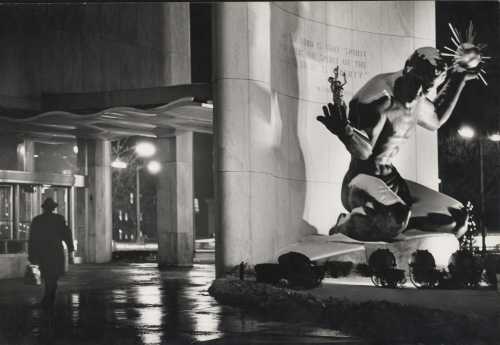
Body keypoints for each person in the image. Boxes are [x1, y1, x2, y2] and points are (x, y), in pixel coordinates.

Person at [317, 47, 479, 241]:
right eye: (417, 84)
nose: (420, 92)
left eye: (427, 88)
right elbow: (364, 152)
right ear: (407, 69)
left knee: (458, 219)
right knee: (396, 216)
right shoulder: (377, 97)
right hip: (360, 181)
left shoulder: (417, 97)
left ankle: (383, 222)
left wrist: (459, 75)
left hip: (393, 181)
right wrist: (346, 131)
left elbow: (435, 118)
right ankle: (343, 226)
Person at [28, 198, 74, 309]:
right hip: (56, 252)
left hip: (43, 253)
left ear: (43, 208)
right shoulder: (59, 219)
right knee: (53, 277)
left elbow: (32, 239)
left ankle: (48, 298)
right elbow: (67, 234)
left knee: (48, 276)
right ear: (53, 208)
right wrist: (70, 248)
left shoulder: (37, 220)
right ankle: (49, 298)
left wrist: (31, 255)